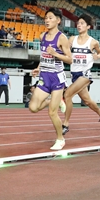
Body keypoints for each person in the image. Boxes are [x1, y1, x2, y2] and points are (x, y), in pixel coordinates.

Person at [28, 8, 72, 151]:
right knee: (33, 108)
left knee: (52, 113)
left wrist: (55, 54)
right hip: (44, 76)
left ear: (58, 20)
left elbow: (70, 60)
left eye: (51, 18)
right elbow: (43, 56)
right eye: (46, 18)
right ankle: (53, 101)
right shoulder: (42, 36)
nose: (47, 20)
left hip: (57, 78)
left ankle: (60, 139)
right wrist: (38, 67)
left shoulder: (61, 38)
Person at [61, 14, 100, 136]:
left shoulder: (93, 42)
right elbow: (65, 50)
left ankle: (65, 124)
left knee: (67, 95)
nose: (79, 25)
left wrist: (97, 56)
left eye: (82, 23)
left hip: (85, 74)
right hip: (74, 74)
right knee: (87, 101)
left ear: (88, 26)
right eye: (78, 23)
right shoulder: (72, 39)